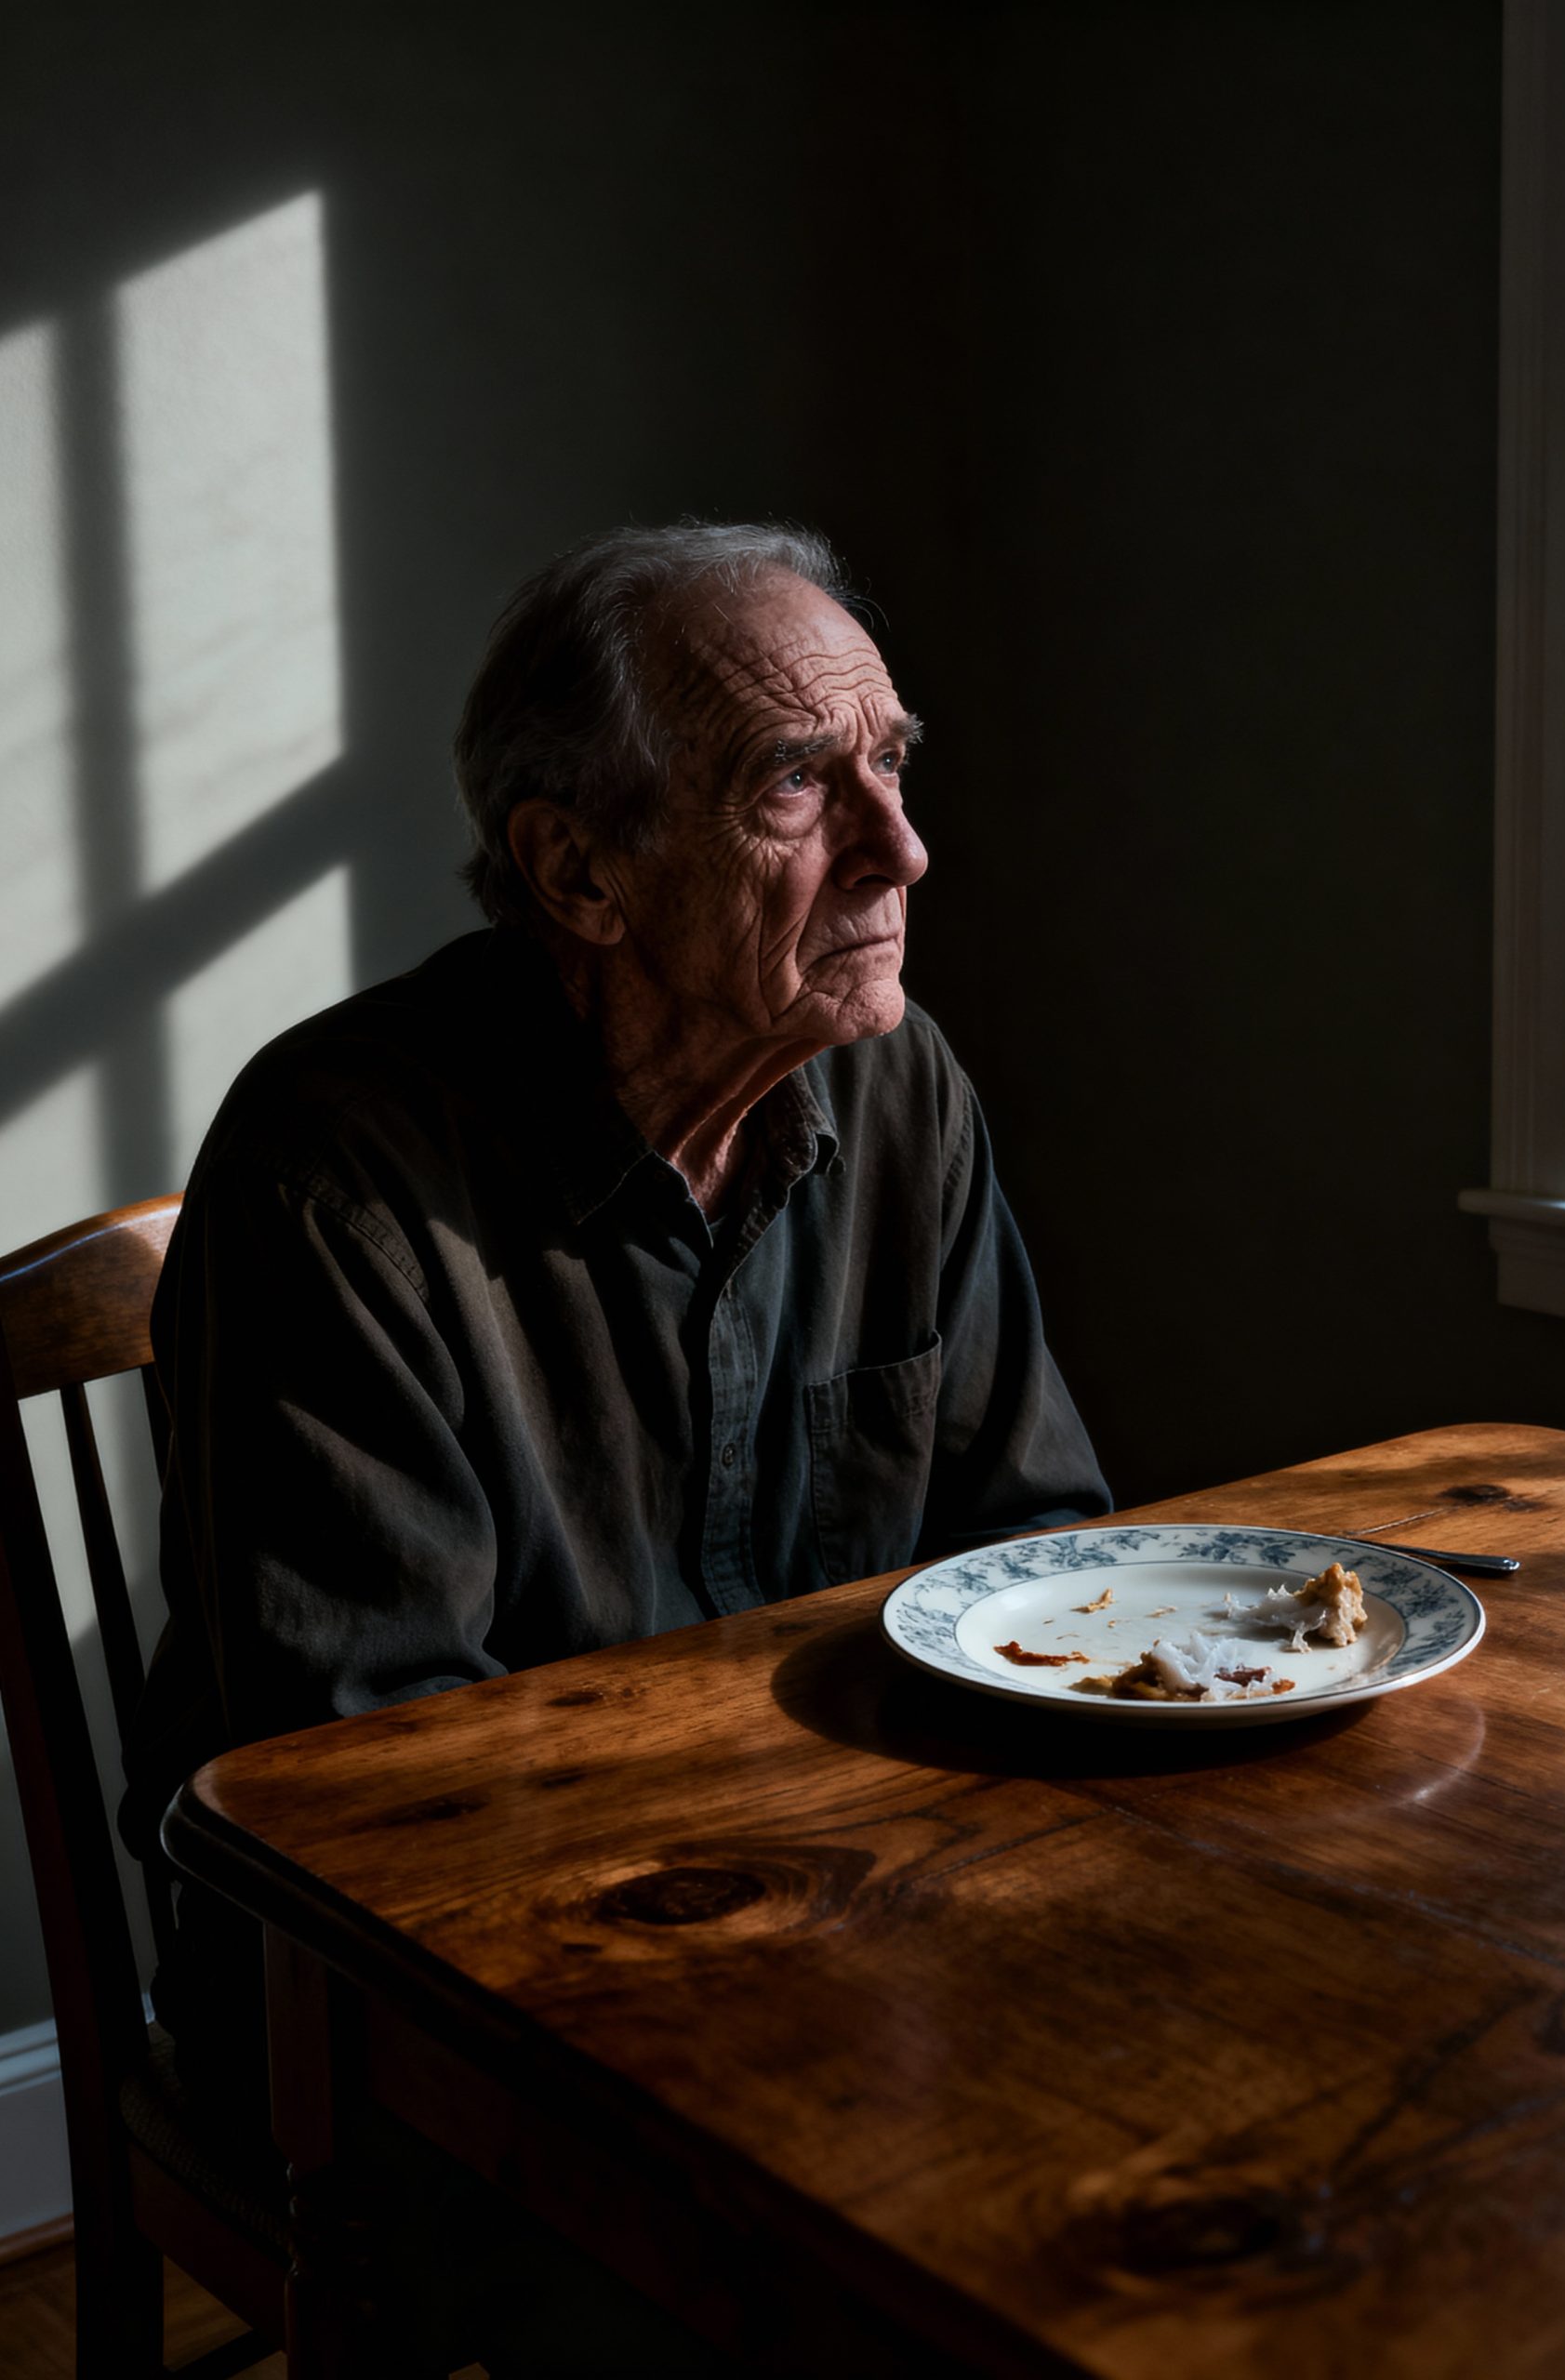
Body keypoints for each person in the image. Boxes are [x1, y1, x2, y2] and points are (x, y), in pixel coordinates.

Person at [122, 519, 1109, 2104]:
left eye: (894, 766)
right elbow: (375, 1772)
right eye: (800, 783)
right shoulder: (339, 1175)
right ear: (579, 871)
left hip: (829, 1900)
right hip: (404, 1996)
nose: (901, 848)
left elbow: (1041, 1551)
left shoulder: (899, 1085)